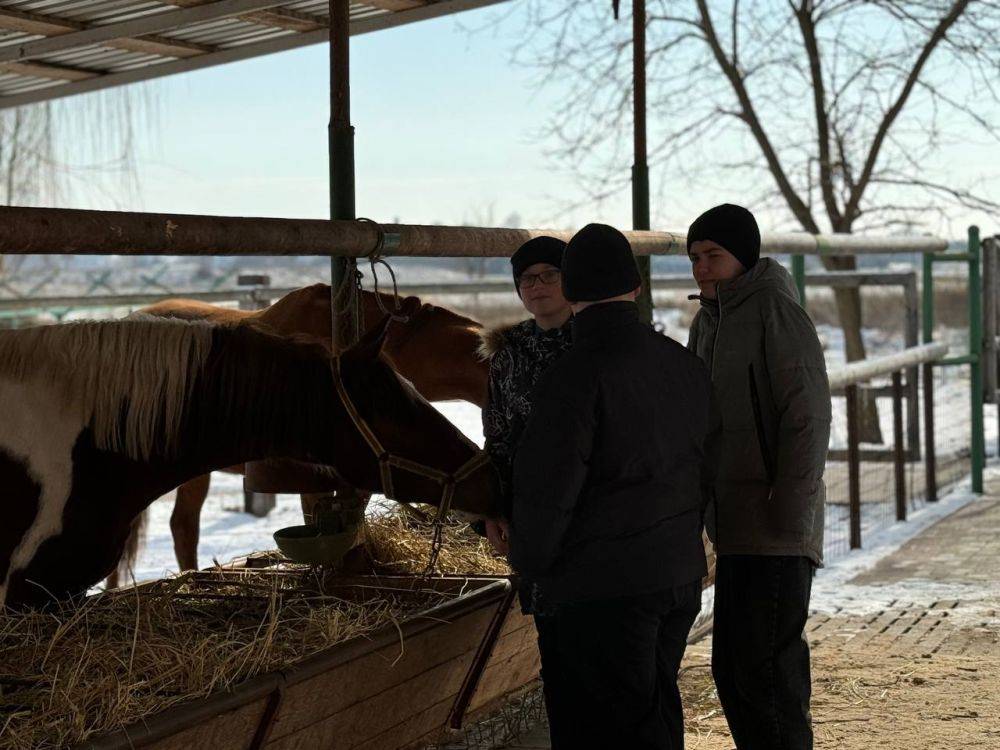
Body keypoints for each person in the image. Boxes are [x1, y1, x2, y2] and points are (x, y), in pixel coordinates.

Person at [509, 223, 715, 750]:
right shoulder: (684, 366)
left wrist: (530, 567)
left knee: (597, 730)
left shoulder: (571, 376)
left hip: (600, 588)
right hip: (676, 577)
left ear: (571, 293)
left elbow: (548, 489)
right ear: (637, 287)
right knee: (657, 714)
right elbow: (705, 469)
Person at [686, 203, 831, 750]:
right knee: (735, 669)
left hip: (774, 522)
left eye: (713, 255)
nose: (702, 267)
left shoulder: (775, 310)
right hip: (734, 522)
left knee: (765, 672)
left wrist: (789, 506)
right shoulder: (709, 318)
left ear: (742, 256)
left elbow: (808, 413)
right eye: (695, 257)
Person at [479, 235, 574, 550]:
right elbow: (498, 439)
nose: (537, 285)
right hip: (532, 507)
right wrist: (490, 509)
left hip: (598, 507)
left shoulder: (597, 344)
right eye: (527, 278)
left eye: (550, 274)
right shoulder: (508, 354)